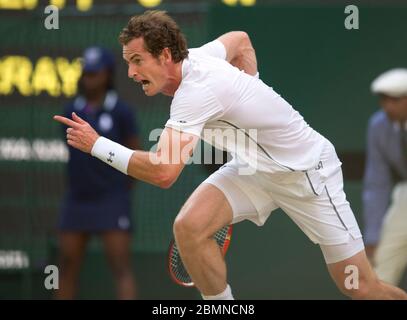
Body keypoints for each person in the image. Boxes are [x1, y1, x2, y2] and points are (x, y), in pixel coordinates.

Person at [54, 10, 407, 300]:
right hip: (254, 168)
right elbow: (239, 39)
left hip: (308, 174)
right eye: (127, 62)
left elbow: (163, 173)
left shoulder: (195, 92)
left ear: (165, 55)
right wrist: (252, 85)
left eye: (137, 60)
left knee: (358, 287)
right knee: (189, 228)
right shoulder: (200, 57)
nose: (130, 72)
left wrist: (96, 144)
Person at [56, 46, 140, 299]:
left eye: (95, 73)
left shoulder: (122, 112)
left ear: (107, 75)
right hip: (78, 199)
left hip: (111, 199)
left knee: (120, 268)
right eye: (86, 73)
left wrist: (119, 190)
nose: (89, 78)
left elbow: (134, 154)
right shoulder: (71, 109)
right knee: (67, 267)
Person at [363, 68, 407, 286]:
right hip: (405, 196)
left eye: (397, 99)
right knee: (381, 266)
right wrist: (373, 235)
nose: (389, 106)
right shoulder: (378, 125)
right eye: (384, 99)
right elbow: (377, 182)